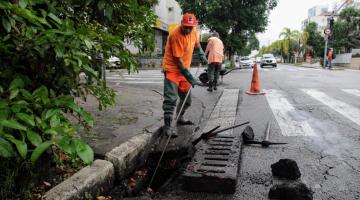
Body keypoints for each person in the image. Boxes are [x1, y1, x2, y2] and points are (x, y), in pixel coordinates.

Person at [162, 13, 208, 138]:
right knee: (171, 100)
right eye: (185, 27)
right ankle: (168, 126)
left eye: (190, 27)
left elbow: (197, 44)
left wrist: (201, 54)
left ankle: (180, 117)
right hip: (172, 70)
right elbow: (178, 60)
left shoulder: (193, 32)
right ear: (181, 24)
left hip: (184, 71)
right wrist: (190, 77)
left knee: (187, 100)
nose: (188, 30)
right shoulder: (175, 35)